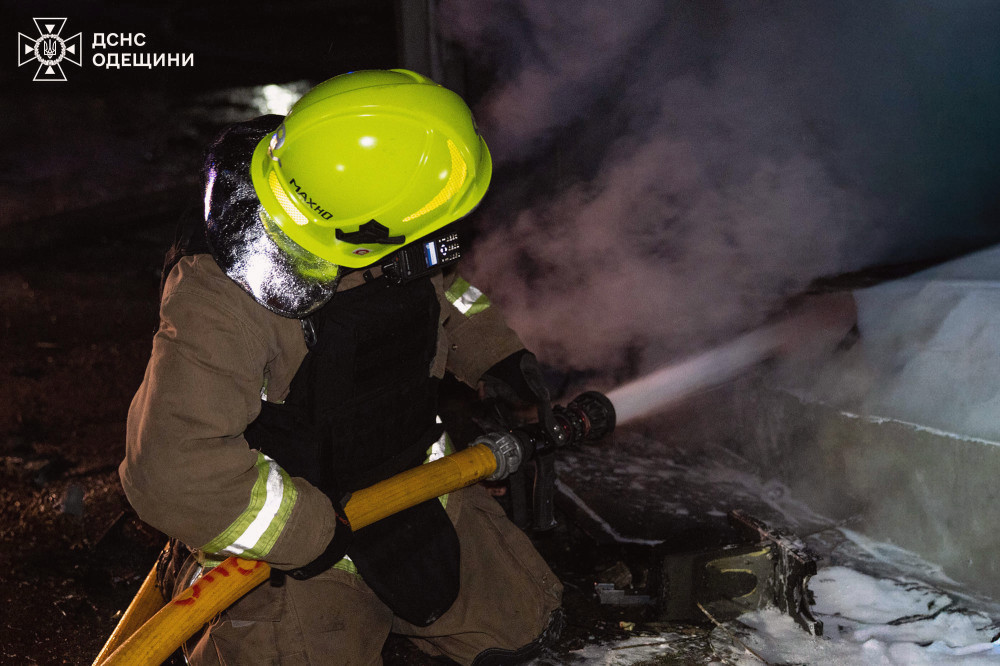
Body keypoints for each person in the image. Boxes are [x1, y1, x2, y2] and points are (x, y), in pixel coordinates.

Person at [121, 69, 563, 665]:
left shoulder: (358, 208)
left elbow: (442, 292)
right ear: (363, 230)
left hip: (411, 486)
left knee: (527, 626)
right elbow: (172, 470)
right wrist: (309, 532)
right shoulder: (220, 297)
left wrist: (494, 355)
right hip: (294, 544)